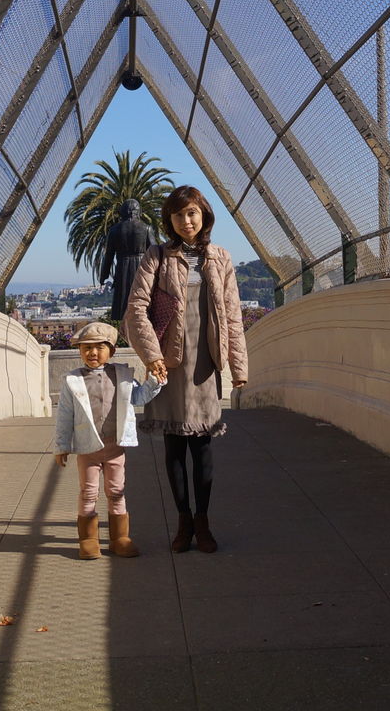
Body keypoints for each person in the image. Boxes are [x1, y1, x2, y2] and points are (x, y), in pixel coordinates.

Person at [123, 186, 248, 553]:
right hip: (168, 366)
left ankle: (203, 520)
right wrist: (151, 356)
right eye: (178, 215)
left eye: (191, 213)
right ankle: (183, 522)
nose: (186, 221)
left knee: (203, 445)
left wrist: (238, 366)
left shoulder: (220, 258)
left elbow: (233, 315)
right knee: (174, 445)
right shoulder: (156, 256)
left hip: (205, 365)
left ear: (204, 215)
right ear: (170, 221)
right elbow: (136, 308)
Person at [52, 321, 165, 559]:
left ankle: (119, 537)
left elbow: (139, 397)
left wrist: (154, 381)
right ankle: (89, 539)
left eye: (99, 347)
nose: (92, 353)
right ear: (80, 351)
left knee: (117, 491)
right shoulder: (73, 380)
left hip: (115, 446)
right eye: (86, 348)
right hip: (87, 447)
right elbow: (64, 415)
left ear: (111, 351)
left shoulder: (122, 376)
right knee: (88, 492)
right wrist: (62, 446)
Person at [100, 198, 156, 321]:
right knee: (142, 301)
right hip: (142, 269)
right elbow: (154, 254)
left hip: (122, 268)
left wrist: (103, 275)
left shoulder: (114, 230)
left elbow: (108, 255)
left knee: (122, 302)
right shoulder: (146, 228)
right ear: (138, 211)